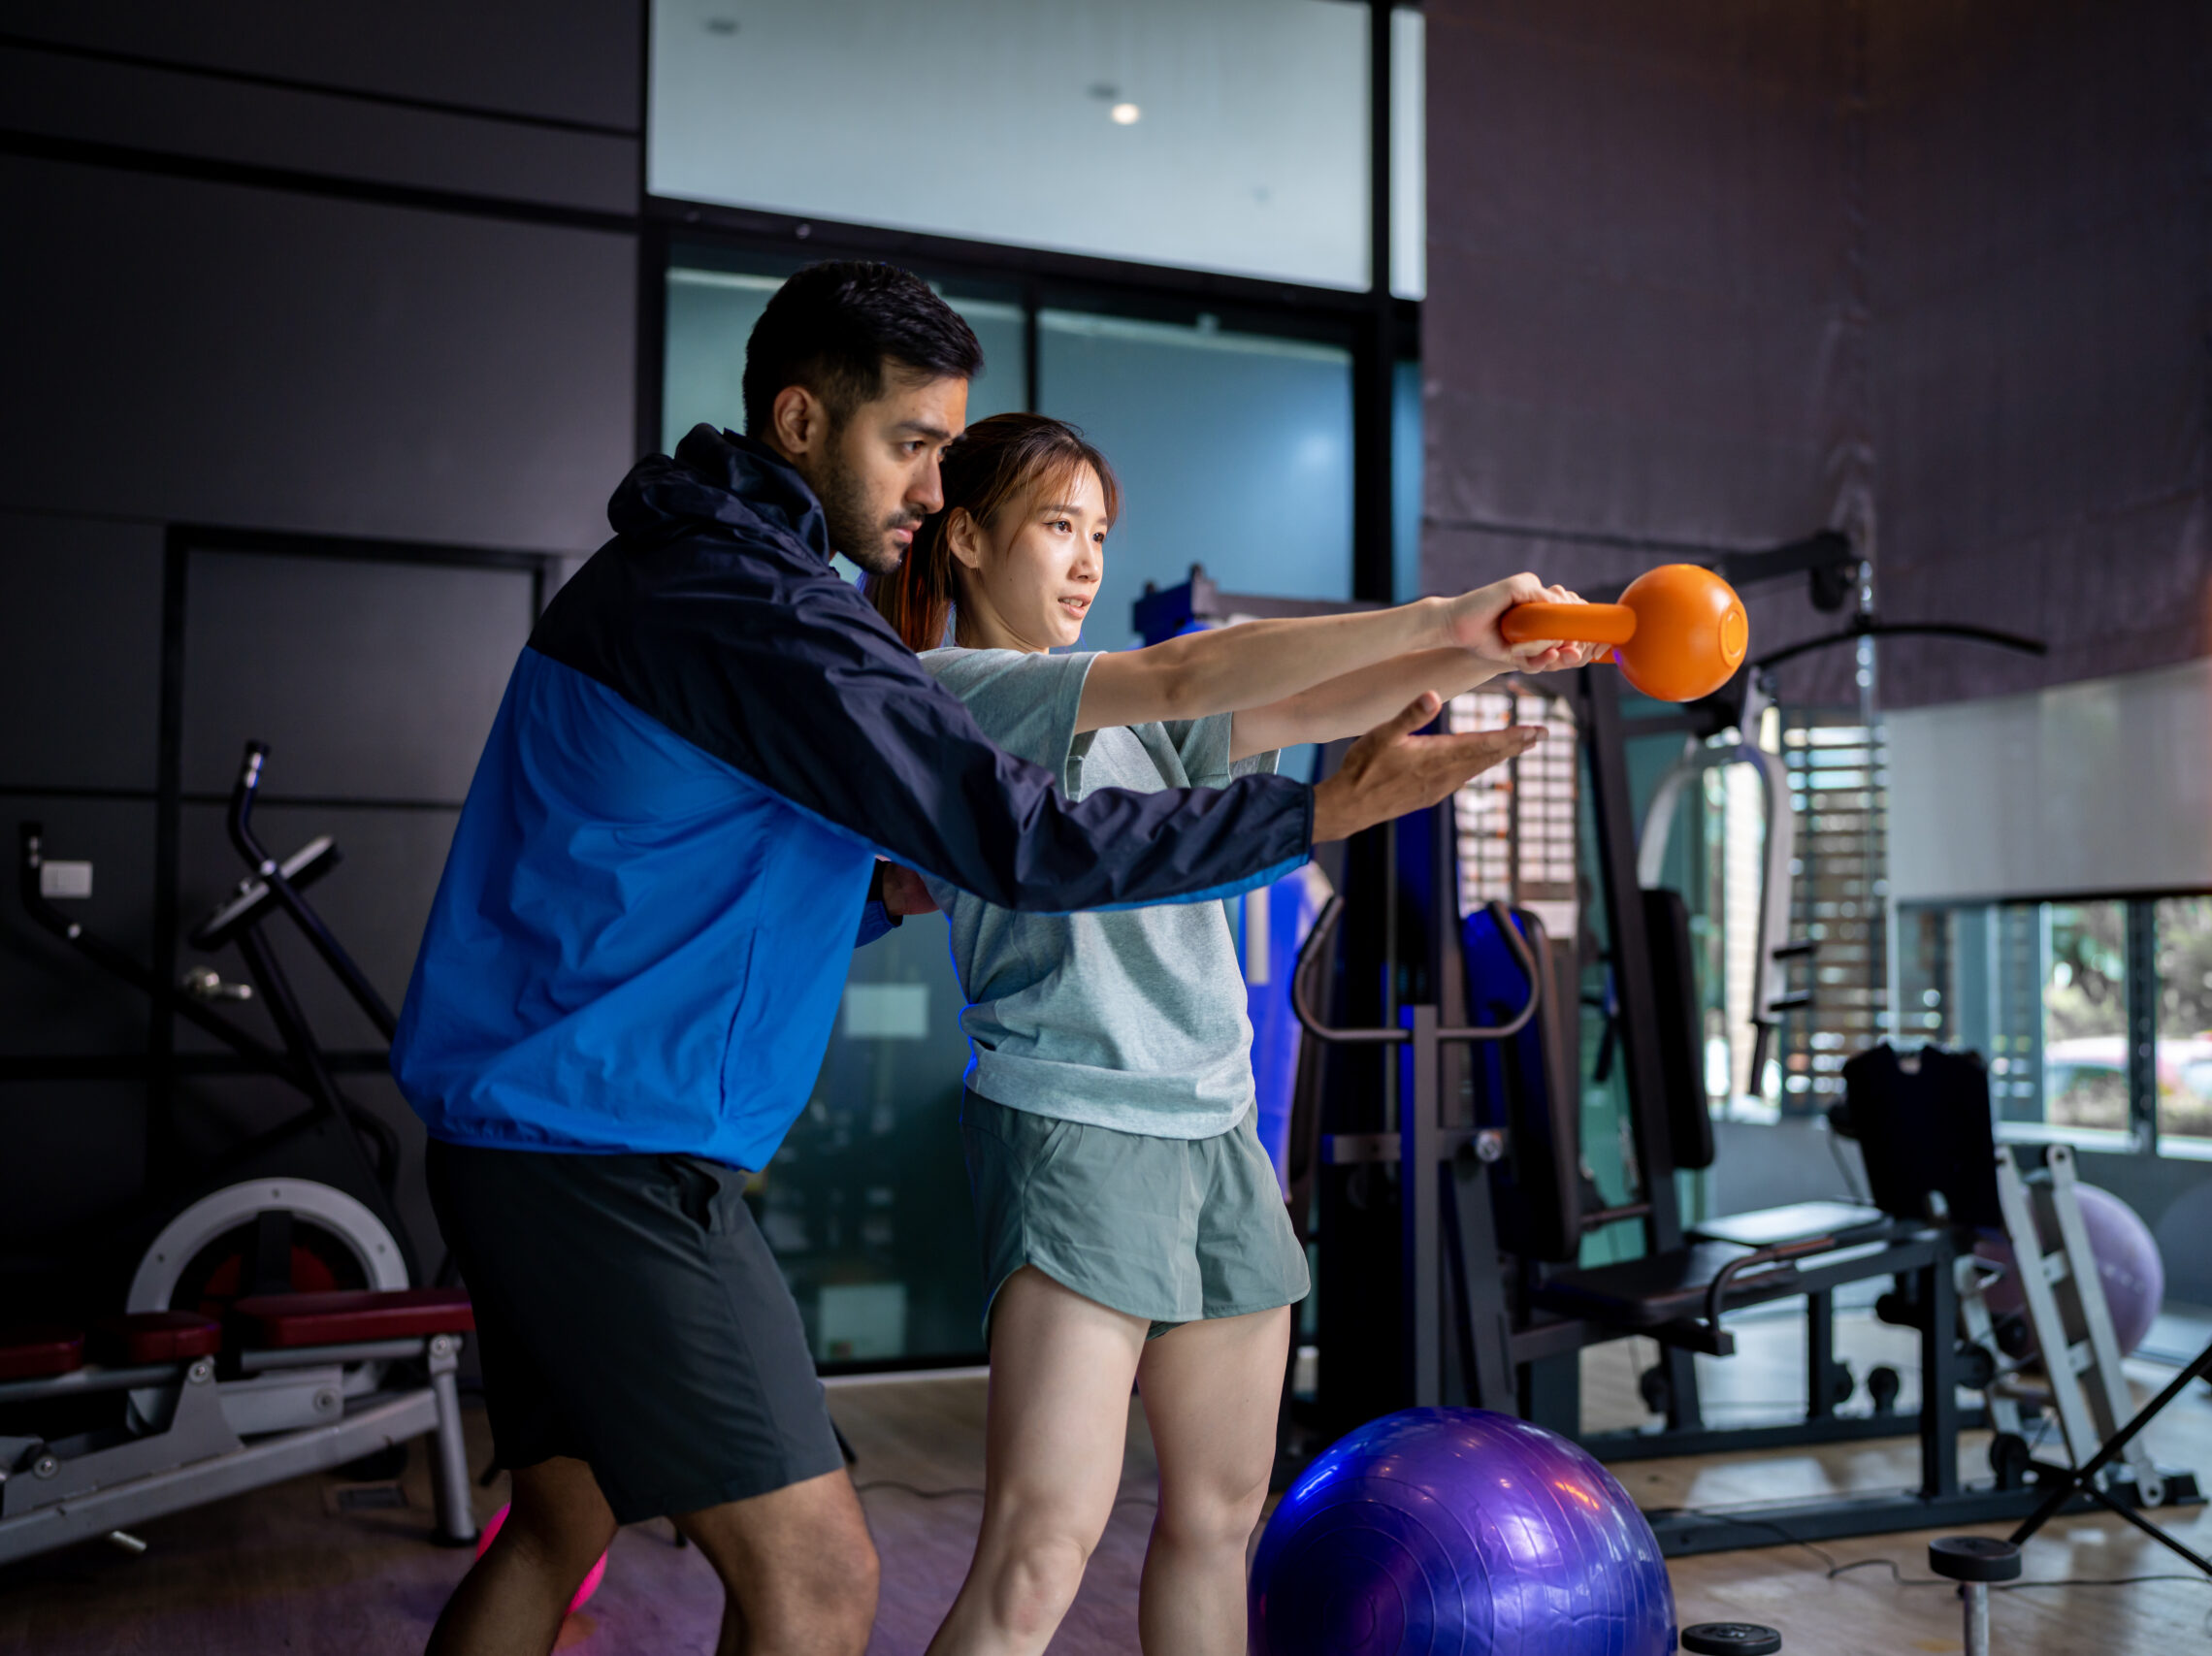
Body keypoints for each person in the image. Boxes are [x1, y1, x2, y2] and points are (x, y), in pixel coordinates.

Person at [391, 261, 1545, 1656]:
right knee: (821, 1576)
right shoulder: (768, 615)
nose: (932, 489)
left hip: (559, 1127)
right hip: (603, 1149)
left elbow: (733, 852)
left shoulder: (701, 579)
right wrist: (1333, 795)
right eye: (916, 446)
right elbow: (1050, 827)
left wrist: (1471, 647)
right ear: (803, 420)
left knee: (560, 1521)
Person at [866, 412, 1597, 1656]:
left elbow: (1308, 702)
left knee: (1218, 1519)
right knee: (1041, 1549)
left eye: (1100, 532)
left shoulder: (1136, 726)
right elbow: (1204, 669)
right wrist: (1442, 612)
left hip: (1214, 1131)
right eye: (1058, 527)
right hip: (1076, 1127)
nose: (1088, 560)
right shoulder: (954, 695)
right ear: (968, 535)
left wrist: (1496, 651)